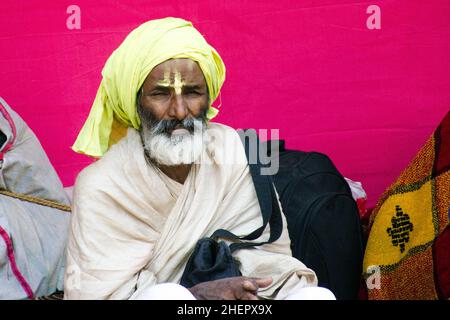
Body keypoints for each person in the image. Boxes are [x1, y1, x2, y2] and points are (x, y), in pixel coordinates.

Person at [64, 17, 334, 300]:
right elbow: (97, 294)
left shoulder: (237, 148)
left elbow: (271, 253)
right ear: (135, 101)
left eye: (192, 92)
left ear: (208, 96)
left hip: (245, 297)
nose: (180, 111)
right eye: (161, 94)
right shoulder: (100, 185)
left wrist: (241, 284)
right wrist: (194, 294)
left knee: (318, 297)